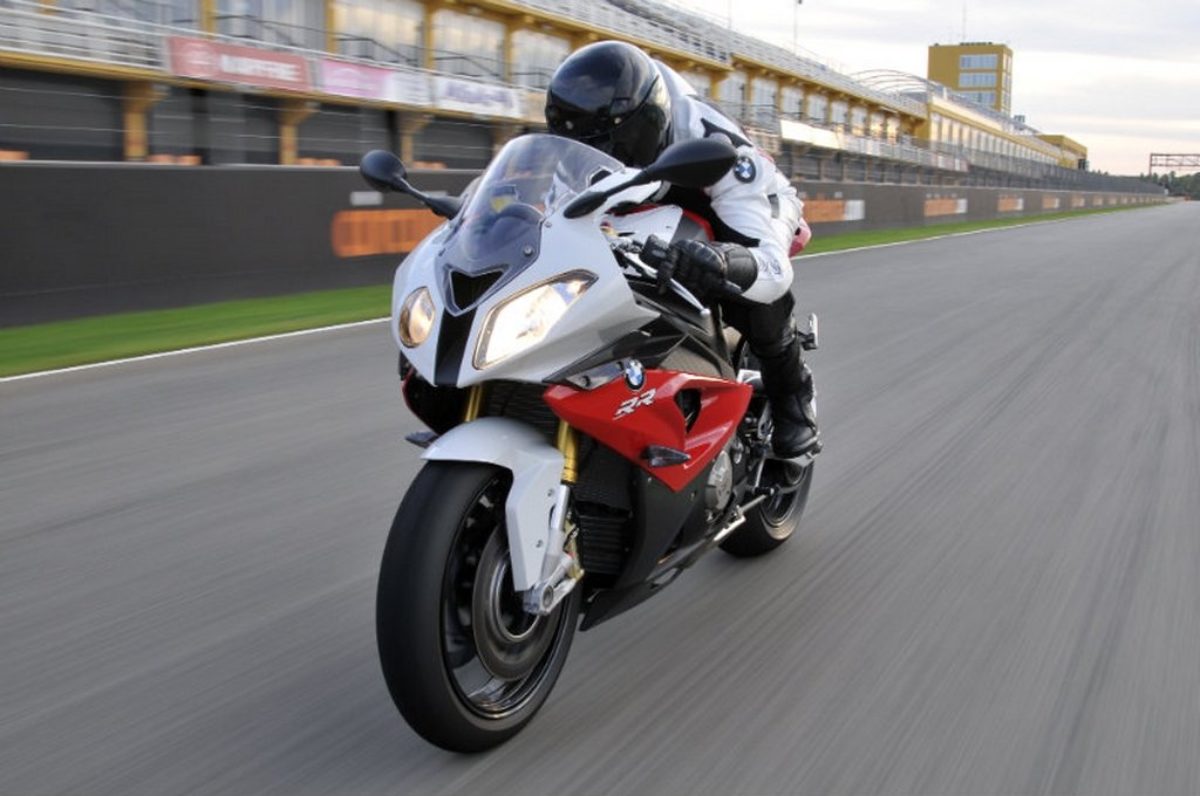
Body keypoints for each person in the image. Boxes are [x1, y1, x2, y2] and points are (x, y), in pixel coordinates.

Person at [544, 40, 821, 458]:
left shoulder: (717, 144)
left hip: (742, 196)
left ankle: (794, 395)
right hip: (647, 190)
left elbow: (772, 269)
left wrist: (723, 261)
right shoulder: (576, 144)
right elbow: (554, 220)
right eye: (588, 148)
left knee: (747, 288)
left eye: (611, 144)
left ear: (646, 123)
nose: (601, 156)